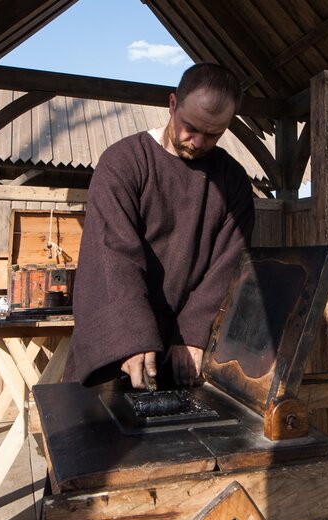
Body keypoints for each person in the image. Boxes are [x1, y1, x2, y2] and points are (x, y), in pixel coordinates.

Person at [64, 63, 255, 390]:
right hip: (118, 344)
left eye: (213, 134)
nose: (196, 142)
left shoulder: (233, 181)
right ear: (172, 104)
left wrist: (194, 331)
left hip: (188, 353)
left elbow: (229, 263)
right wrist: (130, 333)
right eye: (190, 127)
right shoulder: (124, 163)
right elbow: (113, 255)